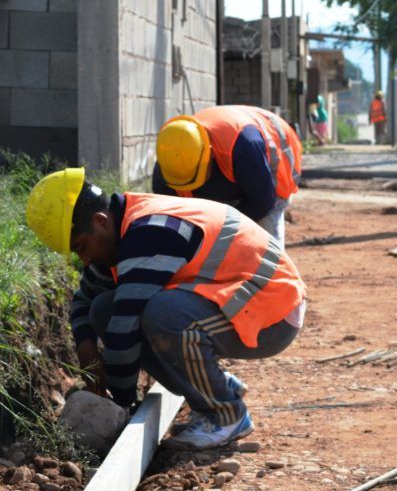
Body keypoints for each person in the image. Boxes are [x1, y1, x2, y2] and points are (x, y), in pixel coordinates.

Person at [25, 168, 307, 449]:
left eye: (82, 248)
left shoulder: (149, 234)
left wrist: (121, 404)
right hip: (240, 304)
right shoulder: (119, 231)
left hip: (274, 312)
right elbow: (85, 300)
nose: (85, 260)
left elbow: (124, 329)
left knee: (163, 315)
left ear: (100, 222)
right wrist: (86, 348)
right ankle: (218, 387)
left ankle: (226, 416)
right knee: (103, 309)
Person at [152, 105, 301, 244]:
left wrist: (218, 230)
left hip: (273, 164)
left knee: (263, 242)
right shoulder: (170, 160)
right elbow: (171, 219)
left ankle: (273, 271)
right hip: (236, 168)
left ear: (209, 154)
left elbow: (262, 202)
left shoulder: (244, 147)